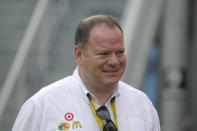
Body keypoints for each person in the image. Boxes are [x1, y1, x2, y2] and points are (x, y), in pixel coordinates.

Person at [12, 14, 160, 131]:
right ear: (78, 54)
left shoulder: (142, 105)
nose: (114, 61)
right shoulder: (42, 106)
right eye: (104, 54)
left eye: (120, 52)